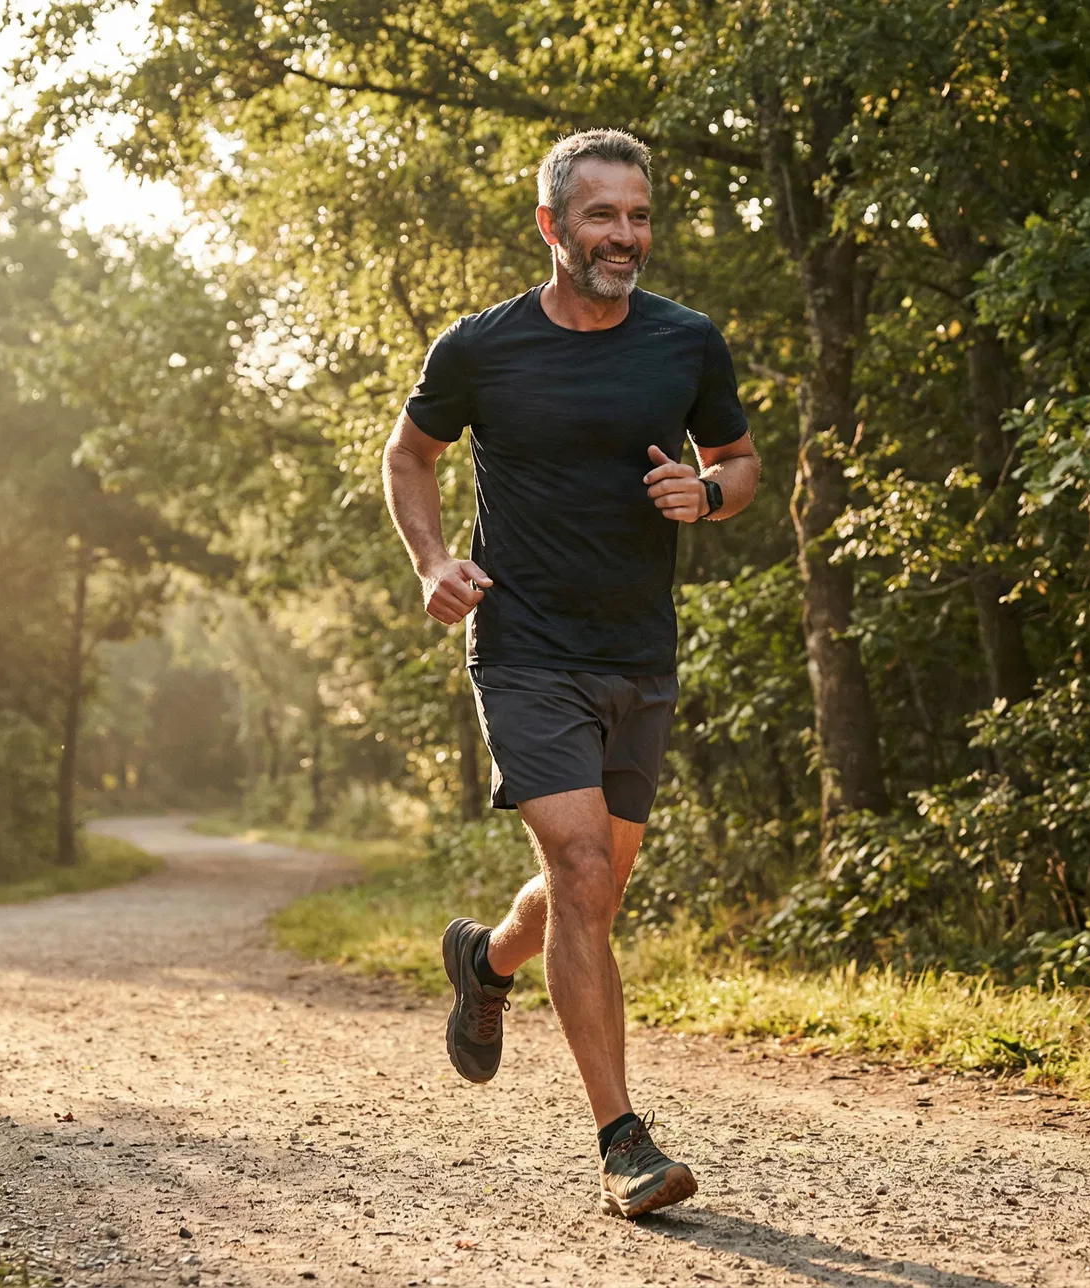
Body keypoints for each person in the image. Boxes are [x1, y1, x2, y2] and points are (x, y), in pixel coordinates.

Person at [381, 128, 762, 1219]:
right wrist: (433, 560)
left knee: (589, 891)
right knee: (585, 870)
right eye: (603, 216)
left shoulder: (686, 343)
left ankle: (487, 961)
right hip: (524, 647)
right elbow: (410, 454)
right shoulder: (481, 348)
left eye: (639, 216)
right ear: (553, 225)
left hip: (639, 651)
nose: (626, 237)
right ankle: (623, 1141)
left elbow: (739, 464)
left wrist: (712, 494)